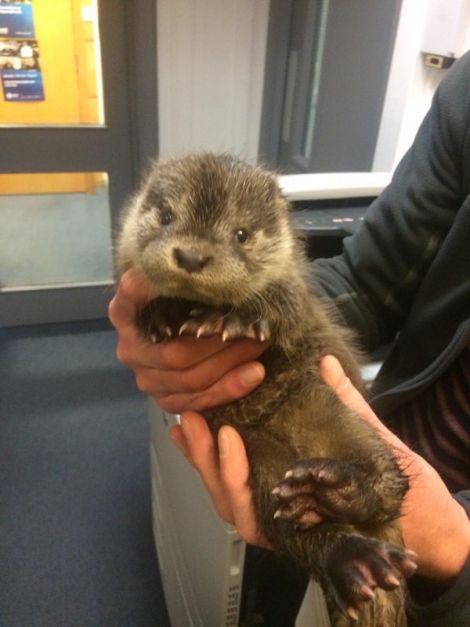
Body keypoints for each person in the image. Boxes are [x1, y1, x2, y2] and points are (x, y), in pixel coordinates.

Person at [109, 50, 470, 626]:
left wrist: (456, 548)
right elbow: (368, 281)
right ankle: (340, 548)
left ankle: (356, 524)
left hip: (409, 495)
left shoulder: (276, 294)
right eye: (170, 221)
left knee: (348, 484)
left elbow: (286, 302)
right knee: (281, 497)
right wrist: (163, 337)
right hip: (363, 448)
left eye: (241, 236)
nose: (193, 252)